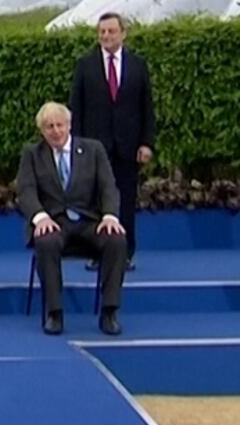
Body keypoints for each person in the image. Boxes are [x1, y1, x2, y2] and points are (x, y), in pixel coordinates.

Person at [17, 102, 127, 336]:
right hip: (55, 222)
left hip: (89, 221)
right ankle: (54, 313)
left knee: (116, 240)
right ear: (42, 131)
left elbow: (108, 186)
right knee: (45, 241)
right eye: (49, 127)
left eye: (59, 125)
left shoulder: (93, 150)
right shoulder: (32, 154)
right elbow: (25, 191)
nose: (55, 131)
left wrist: (109, 216)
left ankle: (109, 311)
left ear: (69, 125)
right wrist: (40, 217)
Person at [69, 12, 155, 272]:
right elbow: (77, 108)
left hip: (128, 148)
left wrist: (146, 143)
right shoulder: (85, 66)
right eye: (102, 32)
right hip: (94, 149)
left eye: (111, 31)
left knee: (125, 200)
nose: (106, 36)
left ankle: (125, 253)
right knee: (95, 202)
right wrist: (77, 147)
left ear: (123, 34)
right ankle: (96, 252)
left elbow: (146, 108)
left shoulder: (138, 65)